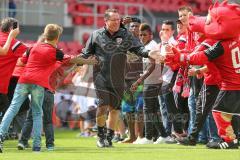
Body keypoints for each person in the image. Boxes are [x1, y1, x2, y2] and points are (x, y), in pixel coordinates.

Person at [0, 24, 97, 153]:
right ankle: (36, 146)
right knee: (37, 113)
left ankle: (1, 136)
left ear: (45, 35)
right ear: (57, 38)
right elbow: (73, 60)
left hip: (23, 80)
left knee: (12, 108)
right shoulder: (55, 52)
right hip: (39, 83)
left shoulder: (32, 47)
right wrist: (91, 61)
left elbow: (21, 62)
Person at [165, 1, 240, 149]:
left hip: (221, 82)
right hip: (228, 81)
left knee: (214, 111)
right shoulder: (236, 39)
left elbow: (199, 57)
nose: (198, 32)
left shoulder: (217, 43)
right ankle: (227, 137)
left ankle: (228, 140)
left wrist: (180, 57)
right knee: (227, 111)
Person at [81, 9, 157, 148]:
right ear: (106, 21)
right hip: (101, 76)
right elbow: (85, 54)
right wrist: (73, 63)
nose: (117, 22)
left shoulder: (125, 34)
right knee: (103, 106)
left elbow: (138, 49)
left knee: (115, 109)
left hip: (119, 77)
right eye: (113, 20)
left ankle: (109, 137)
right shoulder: (96, 35)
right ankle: (101, 136)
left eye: (118, 19)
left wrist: (149, 53)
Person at [0, 17, 27, 122]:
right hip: (1, 86)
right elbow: (32, 55)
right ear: (13, 28)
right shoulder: (14, 43)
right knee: (8, 114)